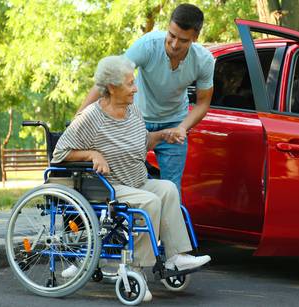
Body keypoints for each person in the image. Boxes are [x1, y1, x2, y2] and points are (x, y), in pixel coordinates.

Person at [52, 55, 211, 301]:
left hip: (135, 180)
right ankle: (136, 269)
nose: (135, 88)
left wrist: (163, 135)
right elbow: (59, 154)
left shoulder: (131, 110)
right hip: (109, 187)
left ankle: (176, 256)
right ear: (112, 87)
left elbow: (142, 140)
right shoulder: (90, 118)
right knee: (150, 201)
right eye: (129, 84)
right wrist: (92, 153)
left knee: (168, 188)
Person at [78, 3, 214, 198]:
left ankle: (163, 228)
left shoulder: (204, 61)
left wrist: (183, 127)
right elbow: (111, 79)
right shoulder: (148, 45)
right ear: (168, 27)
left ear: (195, 37)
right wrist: (80, 116)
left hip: (174, 122)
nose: (175, 44)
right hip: (136, 121)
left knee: (172, 189)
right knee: (126, 183)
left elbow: (203, 103)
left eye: (183, 40)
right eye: (171, 35)